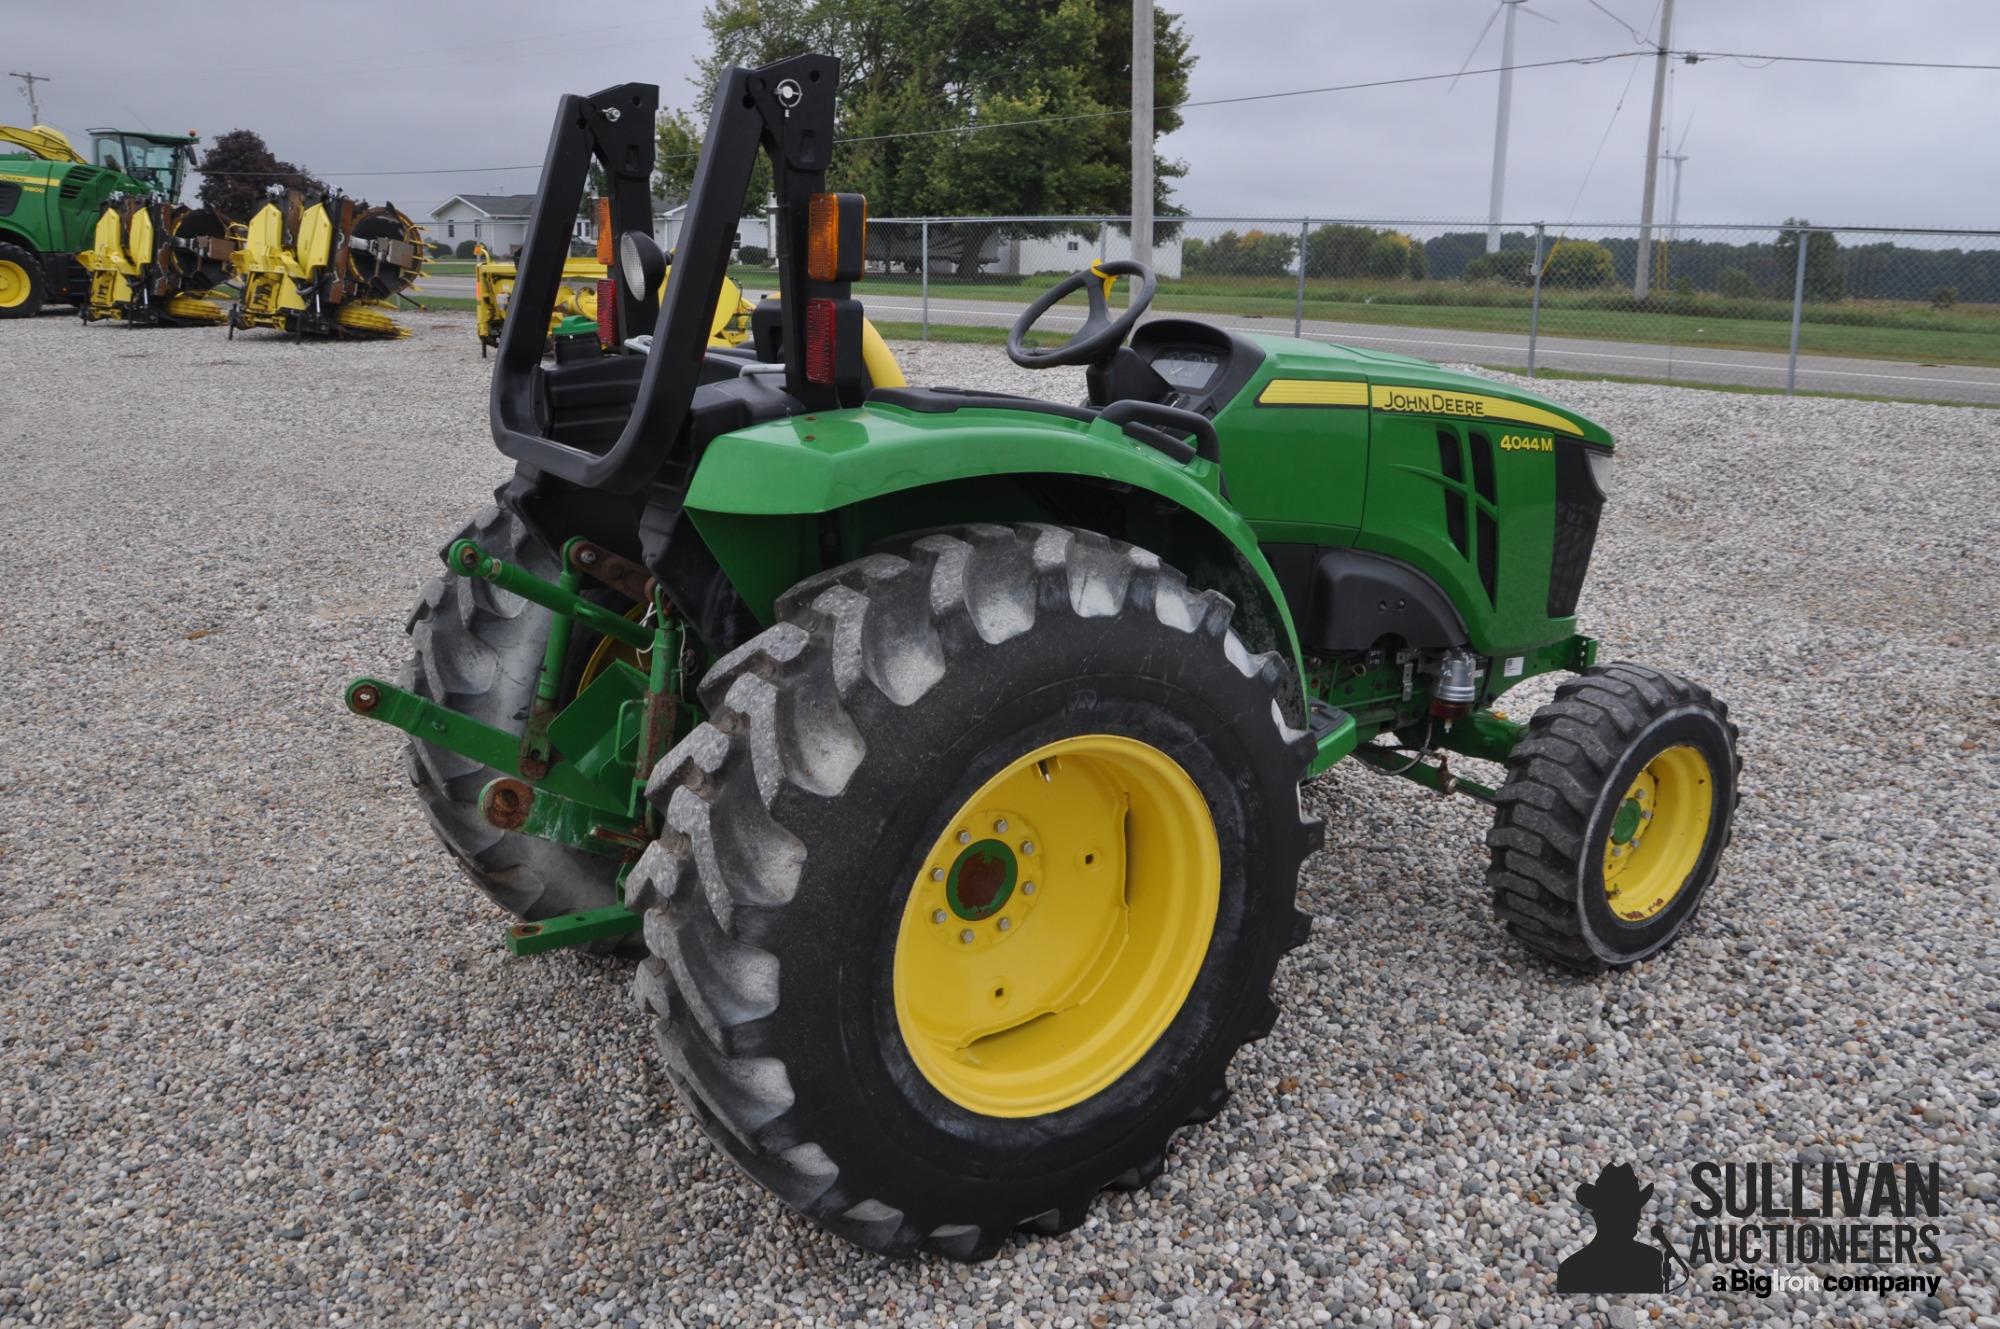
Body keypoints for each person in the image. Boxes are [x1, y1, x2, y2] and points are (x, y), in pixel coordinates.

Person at [1556, 1163, 1666, 1294]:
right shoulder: (1648, 1260)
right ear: (1601, 1216)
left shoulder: (1571, 1268)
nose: (1637, 1217)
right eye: (1626, 1211)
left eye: (1635, 1209)